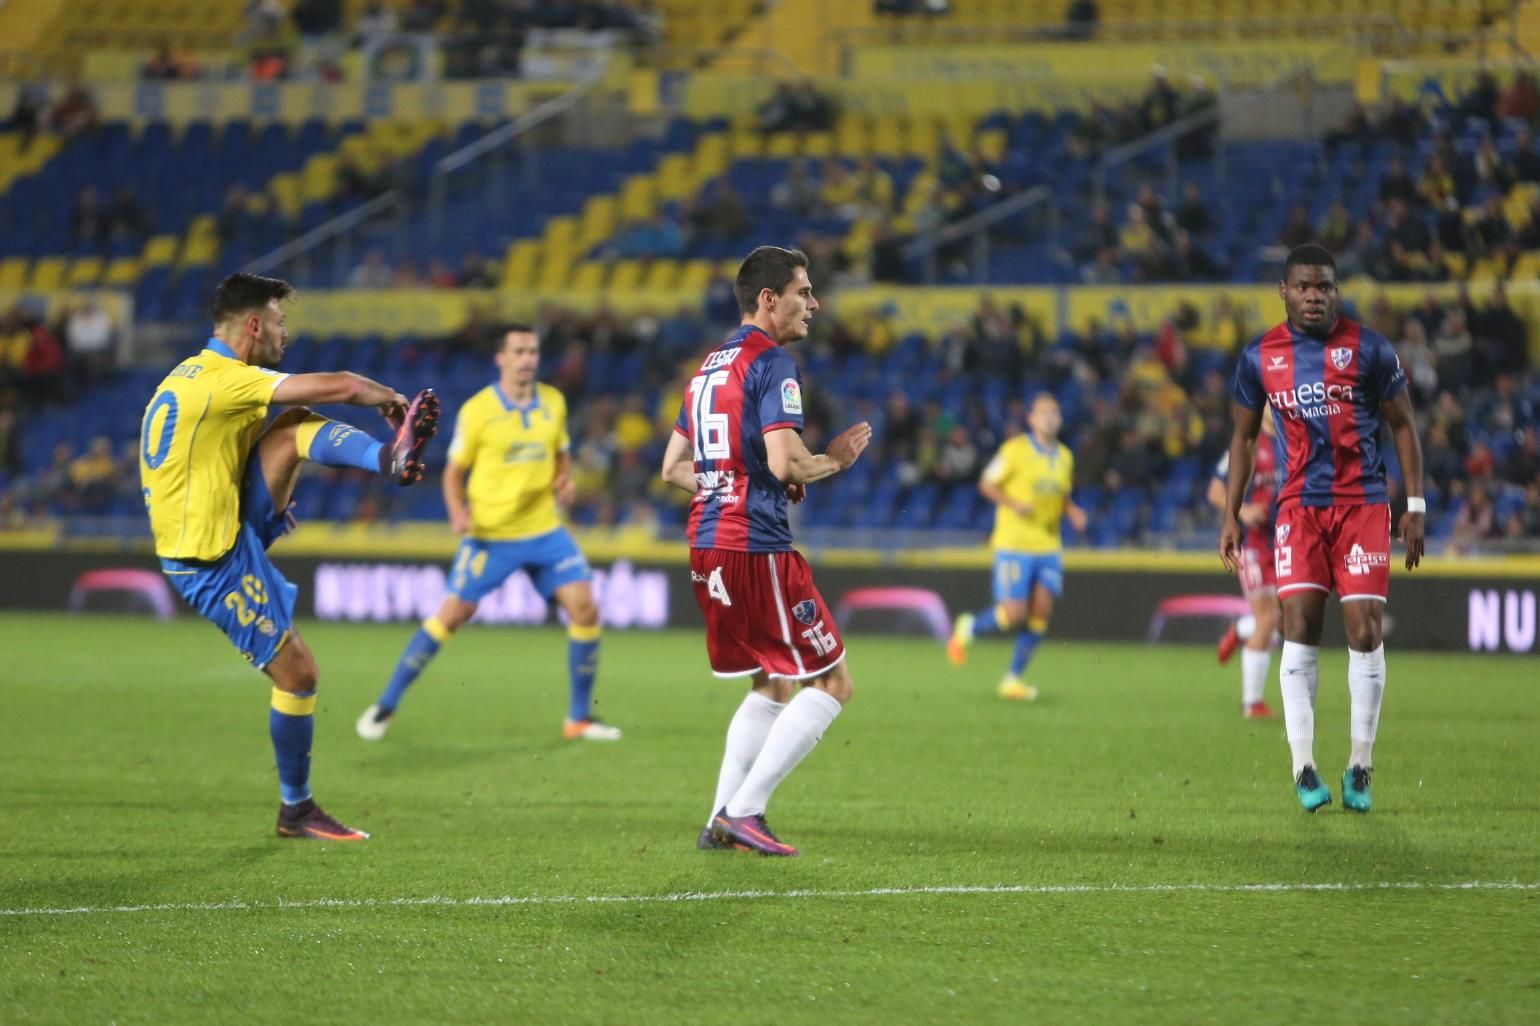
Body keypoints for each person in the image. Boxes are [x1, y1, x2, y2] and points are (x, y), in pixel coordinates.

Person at [139, 272, 439, 840]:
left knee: (290, 432)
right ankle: (295, 810)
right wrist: (391, 397)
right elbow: (344, 388)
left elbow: (229, 448)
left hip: (222, 522)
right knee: (298, 672)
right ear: (253, 324)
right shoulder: (228, 380)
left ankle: (391, 462)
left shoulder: (191, 375)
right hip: (209, 557)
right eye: (279, 321)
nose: (285, 332)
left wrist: (268, 499)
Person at [659, 246, 872, 857]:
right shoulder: (772, 363)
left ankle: (719, 822)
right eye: (804, 292)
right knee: (832, 683)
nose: (815, 303)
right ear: (769, 299)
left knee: (773, 682)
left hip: (707, 543)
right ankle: (744, 812)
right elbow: (787, 460)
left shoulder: (708, 367)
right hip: (755, 545)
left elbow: (674, 467)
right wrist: (834, 460)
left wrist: (736, 481)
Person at [1221, 244, 1425, 814]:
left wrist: (1417, 505)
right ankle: (1303, 766)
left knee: (1364, 632)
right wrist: (1230, 513)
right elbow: (1241, 439)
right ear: (1284, 291)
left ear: (1336, 291)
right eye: (1305, 286)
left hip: (1362, 506)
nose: (1315, 295)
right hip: (1299, 509)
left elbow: (1404, 426)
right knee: (1300, 627)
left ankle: (1360, 764)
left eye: (1325, 287)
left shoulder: (1370, 349)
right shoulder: (1260, 355)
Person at [359, 325, 620, 743]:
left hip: (544, 529)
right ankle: (386, 704)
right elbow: (455, 471)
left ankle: (578, 719)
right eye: (519, 351)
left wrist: (564, 480)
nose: (528, 358)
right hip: (491, 534)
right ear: (502, 358)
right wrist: (456, 511)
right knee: (453, 615)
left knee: (585, 608)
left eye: (533, 351)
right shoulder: (479, 410)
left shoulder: (553, 401)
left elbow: (561, 453)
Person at [946, 393, 1088, 700]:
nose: (1051, 417)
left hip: (1049, 545)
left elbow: (1060, 495)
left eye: (1055, 412)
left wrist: (1073, 511)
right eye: (1044, 412)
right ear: (1032, 419)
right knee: (1013, 613)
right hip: (1015, 544)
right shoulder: (1014, 450)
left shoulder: (1064, 456)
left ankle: (1012, 679)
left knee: (1041, 610)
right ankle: (968, 629)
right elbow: (986, 483)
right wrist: (1014, 504)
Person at [1208, 411, 1280, 718]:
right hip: (1253, 544)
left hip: (1286, 540)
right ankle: (1252, 702)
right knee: (1270, 617)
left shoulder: (1295, 439)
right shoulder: (1249, 442)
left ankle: (1240, 630)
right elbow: (1215, 490)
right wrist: (1244, 510)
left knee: (1286, 621)